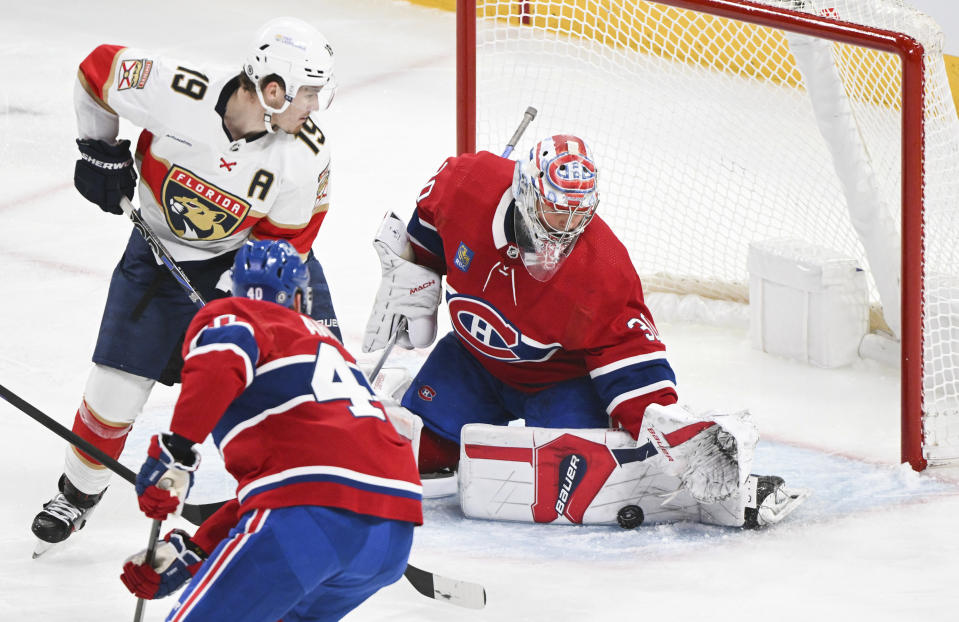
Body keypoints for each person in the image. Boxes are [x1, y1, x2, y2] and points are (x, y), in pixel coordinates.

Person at [363, 134, 805, 528]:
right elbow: (430, 223)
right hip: (473, 360)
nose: (566, 226)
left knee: (577, 478)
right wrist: (415, 274)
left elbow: (633, 364)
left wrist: (676, 440)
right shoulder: (468, 182)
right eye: (556, 208)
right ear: (526, 190)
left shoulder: (603, 271)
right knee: (413, 452)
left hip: (559, 382)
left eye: (579, 213)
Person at [32, 17, 343, 549]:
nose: (316, 107)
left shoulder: (304, 156)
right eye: (308, 93)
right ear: (273, 90)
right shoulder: (178, 89)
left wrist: (234, 294)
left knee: (297, 380)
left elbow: (289, 240)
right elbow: (97, 69)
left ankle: (308, 491)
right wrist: (95, 147)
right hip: (156, 256)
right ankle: (78, 493)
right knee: (114, 393)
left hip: (251, 262)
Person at [119, 239, 422, 621]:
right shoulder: (333, 353)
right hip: (391, 534)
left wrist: (177, 451)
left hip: (309, 519)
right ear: (299, 298)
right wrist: (196, 549)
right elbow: (297, 481)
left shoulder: (236, 316)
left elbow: (222, 358)